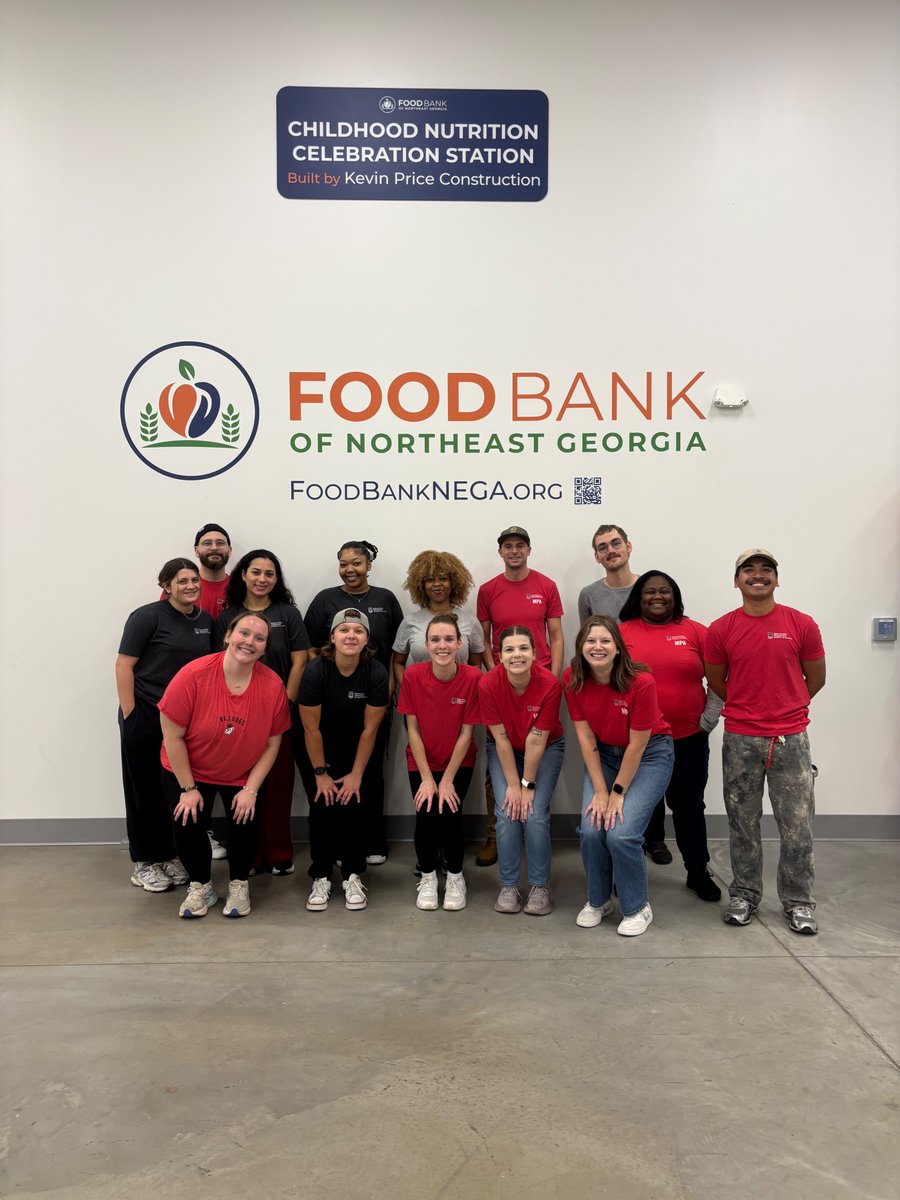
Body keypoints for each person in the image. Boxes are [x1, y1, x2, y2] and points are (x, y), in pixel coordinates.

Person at [705, 549, 826, 935]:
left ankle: (798, 901)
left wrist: (784, 709)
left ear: (776, 578)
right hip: (741, 737)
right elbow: (719, 683)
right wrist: (750, 710)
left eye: (766, 569)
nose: (758, 575)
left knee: (797, 825)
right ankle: (744, 894)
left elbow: (816, 680)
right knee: (743, 822)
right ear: (736, 580)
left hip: (790, 739)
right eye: (748, 570)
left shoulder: (801, 624)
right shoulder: (721, 629)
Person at [159, 613, 291, 919]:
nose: (250, 642)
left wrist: (251, 789)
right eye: (244, 633)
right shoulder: (193, 675)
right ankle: (201, 886)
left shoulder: (272, 685)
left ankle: (238, 884)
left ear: (264, 649)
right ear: (228, 636)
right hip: (189, 769)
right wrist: (188, 788)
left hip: (242, 772)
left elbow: (273, 744)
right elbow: (172, 735)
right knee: (188, 821)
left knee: (245, 822)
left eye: (259, 638)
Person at [564, 616, 675, 937]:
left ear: (617, 648)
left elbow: (638, 745)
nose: (597, 647)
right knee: (590, 829)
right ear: (580, 647)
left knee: (621, 833)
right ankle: (599, 900)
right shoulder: (572, 679)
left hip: (650, 755)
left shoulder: (641, 682)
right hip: (605, 756)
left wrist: (617, 793)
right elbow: (586, 740)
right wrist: (601, 790)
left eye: (605, 641)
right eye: (590, 641)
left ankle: (637, 906)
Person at [619, 571, 723, 901]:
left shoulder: (695, 631)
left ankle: (697, 870)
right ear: (639, 597)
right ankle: (626, 874)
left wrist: (708, 719)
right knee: (635, 808)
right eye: (650, 591)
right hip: (638, 741)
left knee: (689, 805)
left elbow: (721, 678)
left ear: (675, 596)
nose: (657, 596)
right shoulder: (622, 633)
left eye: (665, 591)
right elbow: (607, 681)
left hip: (688, 737)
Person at [303, 541, 402, 864]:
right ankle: (332, 846)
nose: (350, 569)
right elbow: (312, 650)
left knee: (371, 773)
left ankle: (371, 842)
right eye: (344, 564)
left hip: (375, 698)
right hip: (331, 705)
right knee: (332, 775)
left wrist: (386, 691)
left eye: (356, 563)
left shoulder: (386, 599)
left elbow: (394, 652)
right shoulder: (324, 600)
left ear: (369, 565)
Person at [116, 559, 213, 893]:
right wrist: (131, 715)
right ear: (167, 585)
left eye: (194, 580)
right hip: (144, 714)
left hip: (182, 720)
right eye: (182, 580)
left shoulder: (205, 621)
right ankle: (145, 862)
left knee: (171, 788)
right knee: (142, 790)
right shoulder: (147, 617)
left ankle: (169, 854)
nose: (190, 586)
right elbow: (124, 665)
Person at [215, 549, 310, 876]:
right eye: (256, 572)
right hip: (238, 715)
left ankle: (279, 852)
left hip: (280, 713)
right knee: (242, 787)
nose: (262, 579)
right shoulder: (228, 616)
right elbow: (219, 664)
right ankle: (250, 854)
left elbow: (300, 660)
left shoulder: (288, 613)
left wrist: (285, 702)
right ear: (243, 574)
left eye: (269, 574)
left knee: (280, 785)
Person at [475, 526, 564, 868]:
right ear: (500, 552)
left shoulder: (546, 586)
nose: (514, 551)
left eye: (520, 546)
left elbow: (555, 636)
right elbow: (484, 639)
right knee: (499, 761)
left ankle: (535, 830)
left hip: (541, 686)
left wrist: (552, 679)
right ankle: (496, 837)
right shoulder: (488, 590)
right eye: (508, 546)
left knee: (537, 756)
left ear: (529, 550)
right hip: (503, 684)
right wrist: (494, 673)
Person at [299, 609, 389, 912]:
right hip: (320, 750)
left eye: (358, 631)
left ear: (367, 639)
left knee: (355, 807)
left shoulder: (377, 672)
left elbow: (370, 728)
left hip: (360, 752)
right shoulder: (315, 671)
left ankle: (352, 874)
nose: (351, 636)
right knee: (322, 809)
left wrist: (356, 774)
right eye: (344, 630)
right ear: (332, 637)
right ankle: (321, 875)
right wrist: (321, 773)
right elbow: (310, 728)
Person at [397, 614, 482, 912]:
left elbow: (466, 733)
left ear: (459, 643)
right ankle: (429, 876)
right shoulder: (412, 676)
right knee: (425, 815)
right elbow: (413, 730)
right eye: (435, 640)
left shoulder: (473, 678)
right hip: (421, 761)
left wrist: (445, 779)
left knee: (449, 813)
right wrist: (427, 778)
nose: (442, 645)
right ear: (426, 644)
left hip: (458, 762)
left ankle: (456, 877)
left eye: (449, 639)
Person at [479, 625, 565, 916]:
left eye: (523, 648)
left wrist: (526, 785)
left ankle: (540, 887)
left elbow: (537, 739)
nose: (517, 655)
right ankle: (509, 886)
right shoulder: (488, 684)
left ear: (535, 652)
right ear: (499, 655)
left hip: (546, 747)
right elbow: (500, 739)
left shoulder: (550, 683)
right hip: (503, 747)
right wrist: (513, 787)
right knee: (506, 811)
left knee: (534, 813)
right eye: (509, 649)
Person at [392, 549, 484, 687]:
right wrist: (409, 690)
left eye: (443, 578)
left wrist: (466, 690)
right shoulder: (410, 622)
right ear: (421, 585)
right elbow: (398, 662)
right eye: (430, 580)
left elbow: (476, 663)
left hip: (459, 699)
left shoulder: (470, 621)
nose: (437, 584)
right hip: (421, 700)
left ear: (453, 583)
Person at [158, 523, 232, 618]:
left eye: (220, 543)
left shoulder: (239, 587)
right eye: (207, 543)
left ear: (229, 550)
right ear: (197, 551)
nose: (214, 548)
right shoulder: (178, 588)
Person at [576, 523, 639, 624]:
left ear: (628, 547)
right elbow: (586, 638)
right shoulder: (588, 595)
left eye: (616, 543)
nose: (610, 550)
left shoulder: (649, 588)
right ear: (597, 557)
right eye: (602, 548)